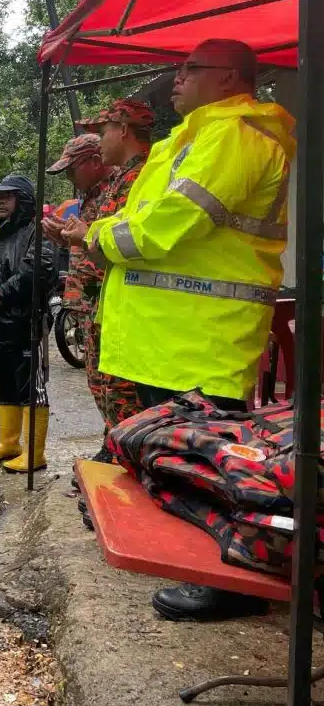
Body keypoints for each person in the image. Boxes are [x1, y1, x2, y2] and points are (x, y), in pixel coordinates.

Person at [72, 39, 294, 623]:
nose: (178, 76)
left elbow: (166, 226)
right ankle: (188, 560)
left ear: (230, 80)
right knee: (171, 461)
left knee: (215, 466)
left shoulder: (239, 136)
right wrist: (103, 232)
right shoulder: (188, 138)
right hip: (162, 338)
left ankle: (233, 582)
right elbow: (136, 216)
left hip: (202, 339)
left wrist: (92, 238)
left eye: (192, 68)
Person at [66, 99, 155, 449]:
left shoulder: (142, 176)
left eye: (103, 132)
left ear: (123, 130)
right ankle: (117, 448)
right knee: (106, 386)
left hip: (126, 302)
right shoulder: (125, 177)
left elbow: (131, 239)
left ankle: (127, 456)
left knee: (122, 390)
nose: (100, 141)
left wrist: (85, 235)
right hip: (107, 300)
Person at [0, 175, 56, 471]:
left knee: (30, 386)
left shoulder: (36, 234)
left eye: (8, 197)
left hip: (25, 323)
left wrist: (2, 295)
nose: (0, 202)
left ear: (24, 201)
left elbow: (38, 269)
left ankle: (34, 453)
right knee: (3, 380)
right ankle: (9, 441)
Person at [42, 133, 115, 462]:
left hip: (105, 302)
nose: (69, 177)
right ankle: (112, 445)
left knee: (114, 386)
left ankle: (118, 450)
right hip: (85, 303)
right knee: (97, 380)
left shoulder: (117, 192)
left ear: (95, 162)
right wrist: (64, 239)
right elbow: (88, 245)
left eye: (72, 169)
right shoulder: (88, 197)